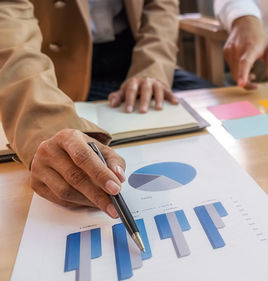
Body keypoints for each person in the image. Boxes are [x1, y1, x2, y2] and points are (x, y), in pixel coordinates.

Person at [0, 0, 211, 218]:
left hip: (136, 59)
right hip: (50, 75)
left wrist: (153, 67)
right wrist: (44, 125)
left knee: (207, 108)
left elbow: (160, 4)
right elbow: (8, 26)